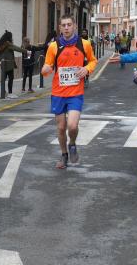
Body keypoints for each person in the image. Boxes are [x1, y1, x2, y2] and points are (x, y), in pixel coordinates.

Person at [41, 15, 97, 169]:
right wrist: (45, 70)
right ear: (60, 28)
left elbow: (93, 60)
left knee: (72, 126)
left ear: (74, 26)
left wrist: (86, 69)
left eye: (69, 25)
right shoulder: (54, 46)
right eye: (63, 25)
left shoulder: (84, 44)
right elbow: (48, 66)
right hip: (58, 92)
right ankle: (64, 154)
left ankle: (72, 143)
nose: (66, 28)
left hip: (75, 93)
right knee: (60, 127)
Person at [0, 31, 27, 99]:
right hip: (9, 64)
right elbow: (16, 48)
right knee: (11, 78)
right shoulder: (8, 44)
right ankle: (10, 93)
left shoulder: (1, 44)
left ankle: (3, 92)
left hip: (3, 63)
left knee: (3, 78)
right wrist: (26, 51)